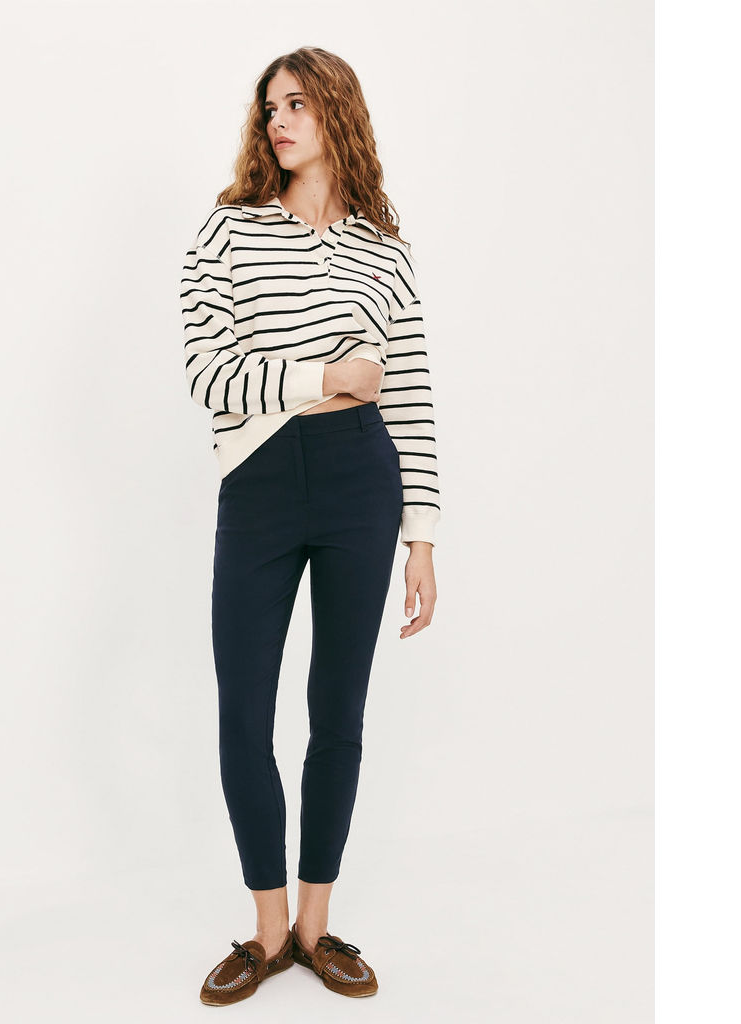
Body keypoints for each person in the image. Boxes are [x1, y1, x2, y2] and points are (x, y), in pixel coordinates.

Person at [179, 47, 441, 1005]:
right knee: (243, 711)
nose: (278, 120)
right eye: (270, 106)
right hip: (257, 481)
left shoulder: (384, 250)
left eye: (297, 103)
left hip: (360, 479)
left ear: (337, 111)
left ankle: (316, 927)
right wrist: (327, 375)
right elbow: (208, 372)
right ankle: (267, 931)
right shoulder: (228, 231)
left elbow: (408, 394)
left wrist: (422, 536)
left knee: (339, 709)